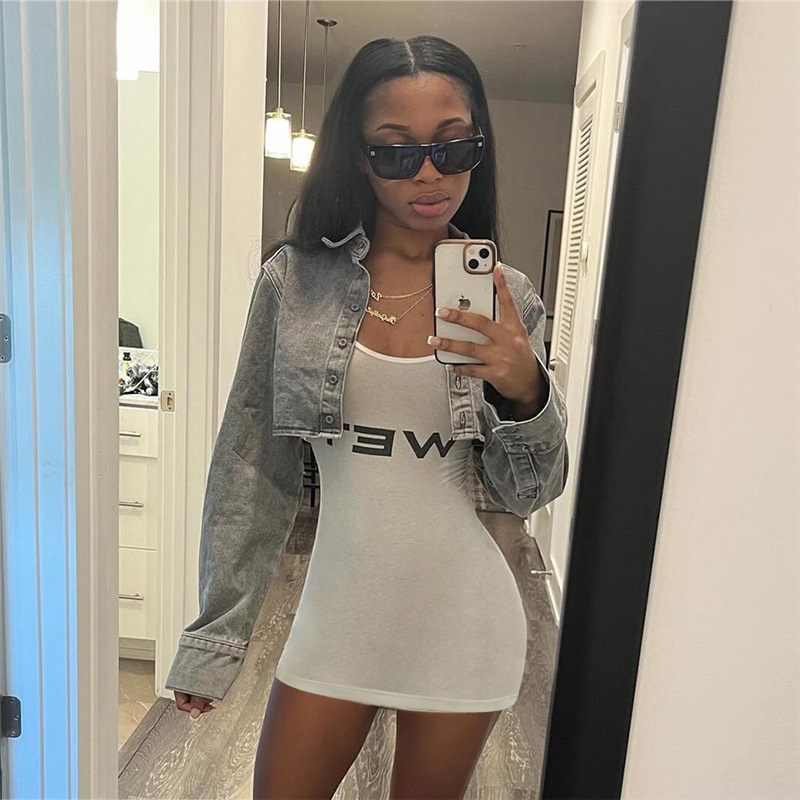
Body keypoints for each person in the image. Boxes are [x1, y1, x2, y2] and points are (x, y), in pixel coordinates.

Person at [165, 35, 569, 800]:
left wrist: (525, 390)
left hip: (464, 620)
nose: (429, 173)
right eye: (396, 151)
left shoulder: (506, 294)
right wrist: (217, 637)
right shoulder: (294, 284)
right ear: (357, 155)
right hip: (338, 615)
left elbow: (528, 491)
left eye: (453, 147)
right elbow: (252, 466)